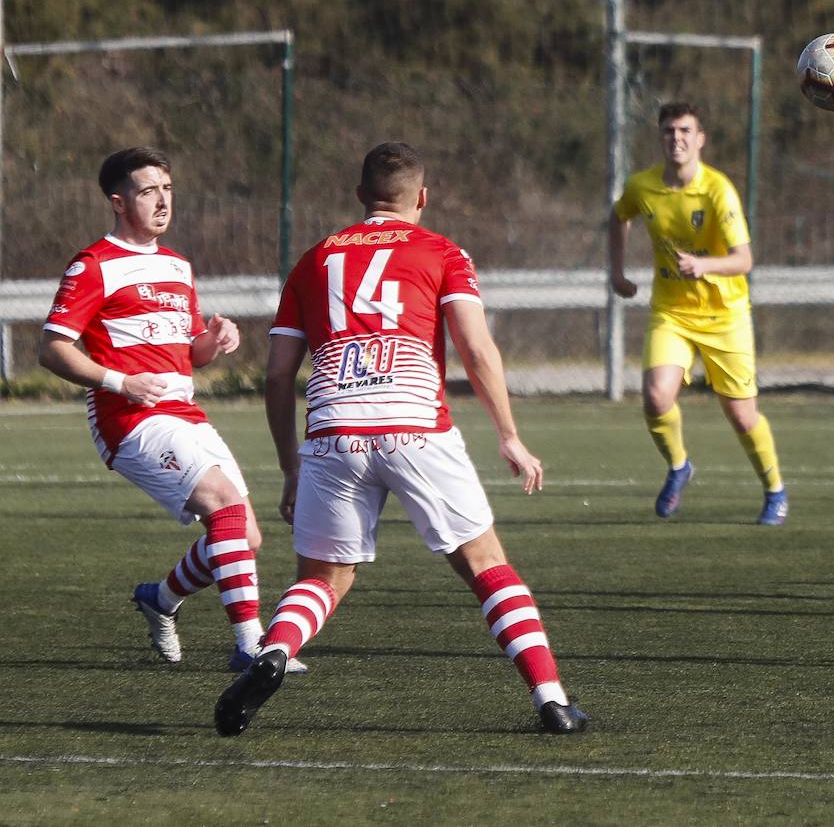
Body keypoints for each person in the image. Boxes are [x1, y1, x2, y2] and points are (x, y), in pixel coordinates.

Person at [214, 141, 588, 736]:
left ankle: (275, 652)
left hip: (334, 431)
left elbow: (280, 373)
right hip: (414, 426)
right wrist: (509, 435)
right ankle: (552, 699)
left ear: (361, 195)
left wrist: (291, 468)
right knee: (486, 564)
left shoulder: (313, 261)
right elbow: (475, 347)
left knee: (321, 579)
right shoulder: (442, 251)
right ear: (423, 197)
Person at [38, 146, 301, 673]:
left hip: (184, 411)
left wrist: (213, 339)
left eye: (167, 188)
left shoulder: (178, 265)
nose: (163, 200)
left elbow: (188, 354)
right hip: (128, 418)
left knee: (244, 536)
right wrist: (121, 381)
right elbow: (51, 349)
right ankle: (251, 645)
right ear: (118, 202)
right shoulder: (94, 265)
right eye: (148, 190)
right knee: (225, 505)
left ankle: (160, 599)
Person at [609, 102, 788, 526]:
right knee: (655, 397)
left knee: (742, 415)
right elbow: (619, 217)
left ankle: (775, 490)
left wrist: (704, 265)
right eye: (669, 131)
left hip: (725, 316)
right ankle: (678, 466)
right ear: (661, 138)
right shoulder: (643, 186)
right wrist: (616, 272)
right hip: (672, 313)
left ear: (700, 138)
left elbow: (744, 259)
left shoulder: (717, 190)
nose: (677, 138)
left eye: (686, 131)